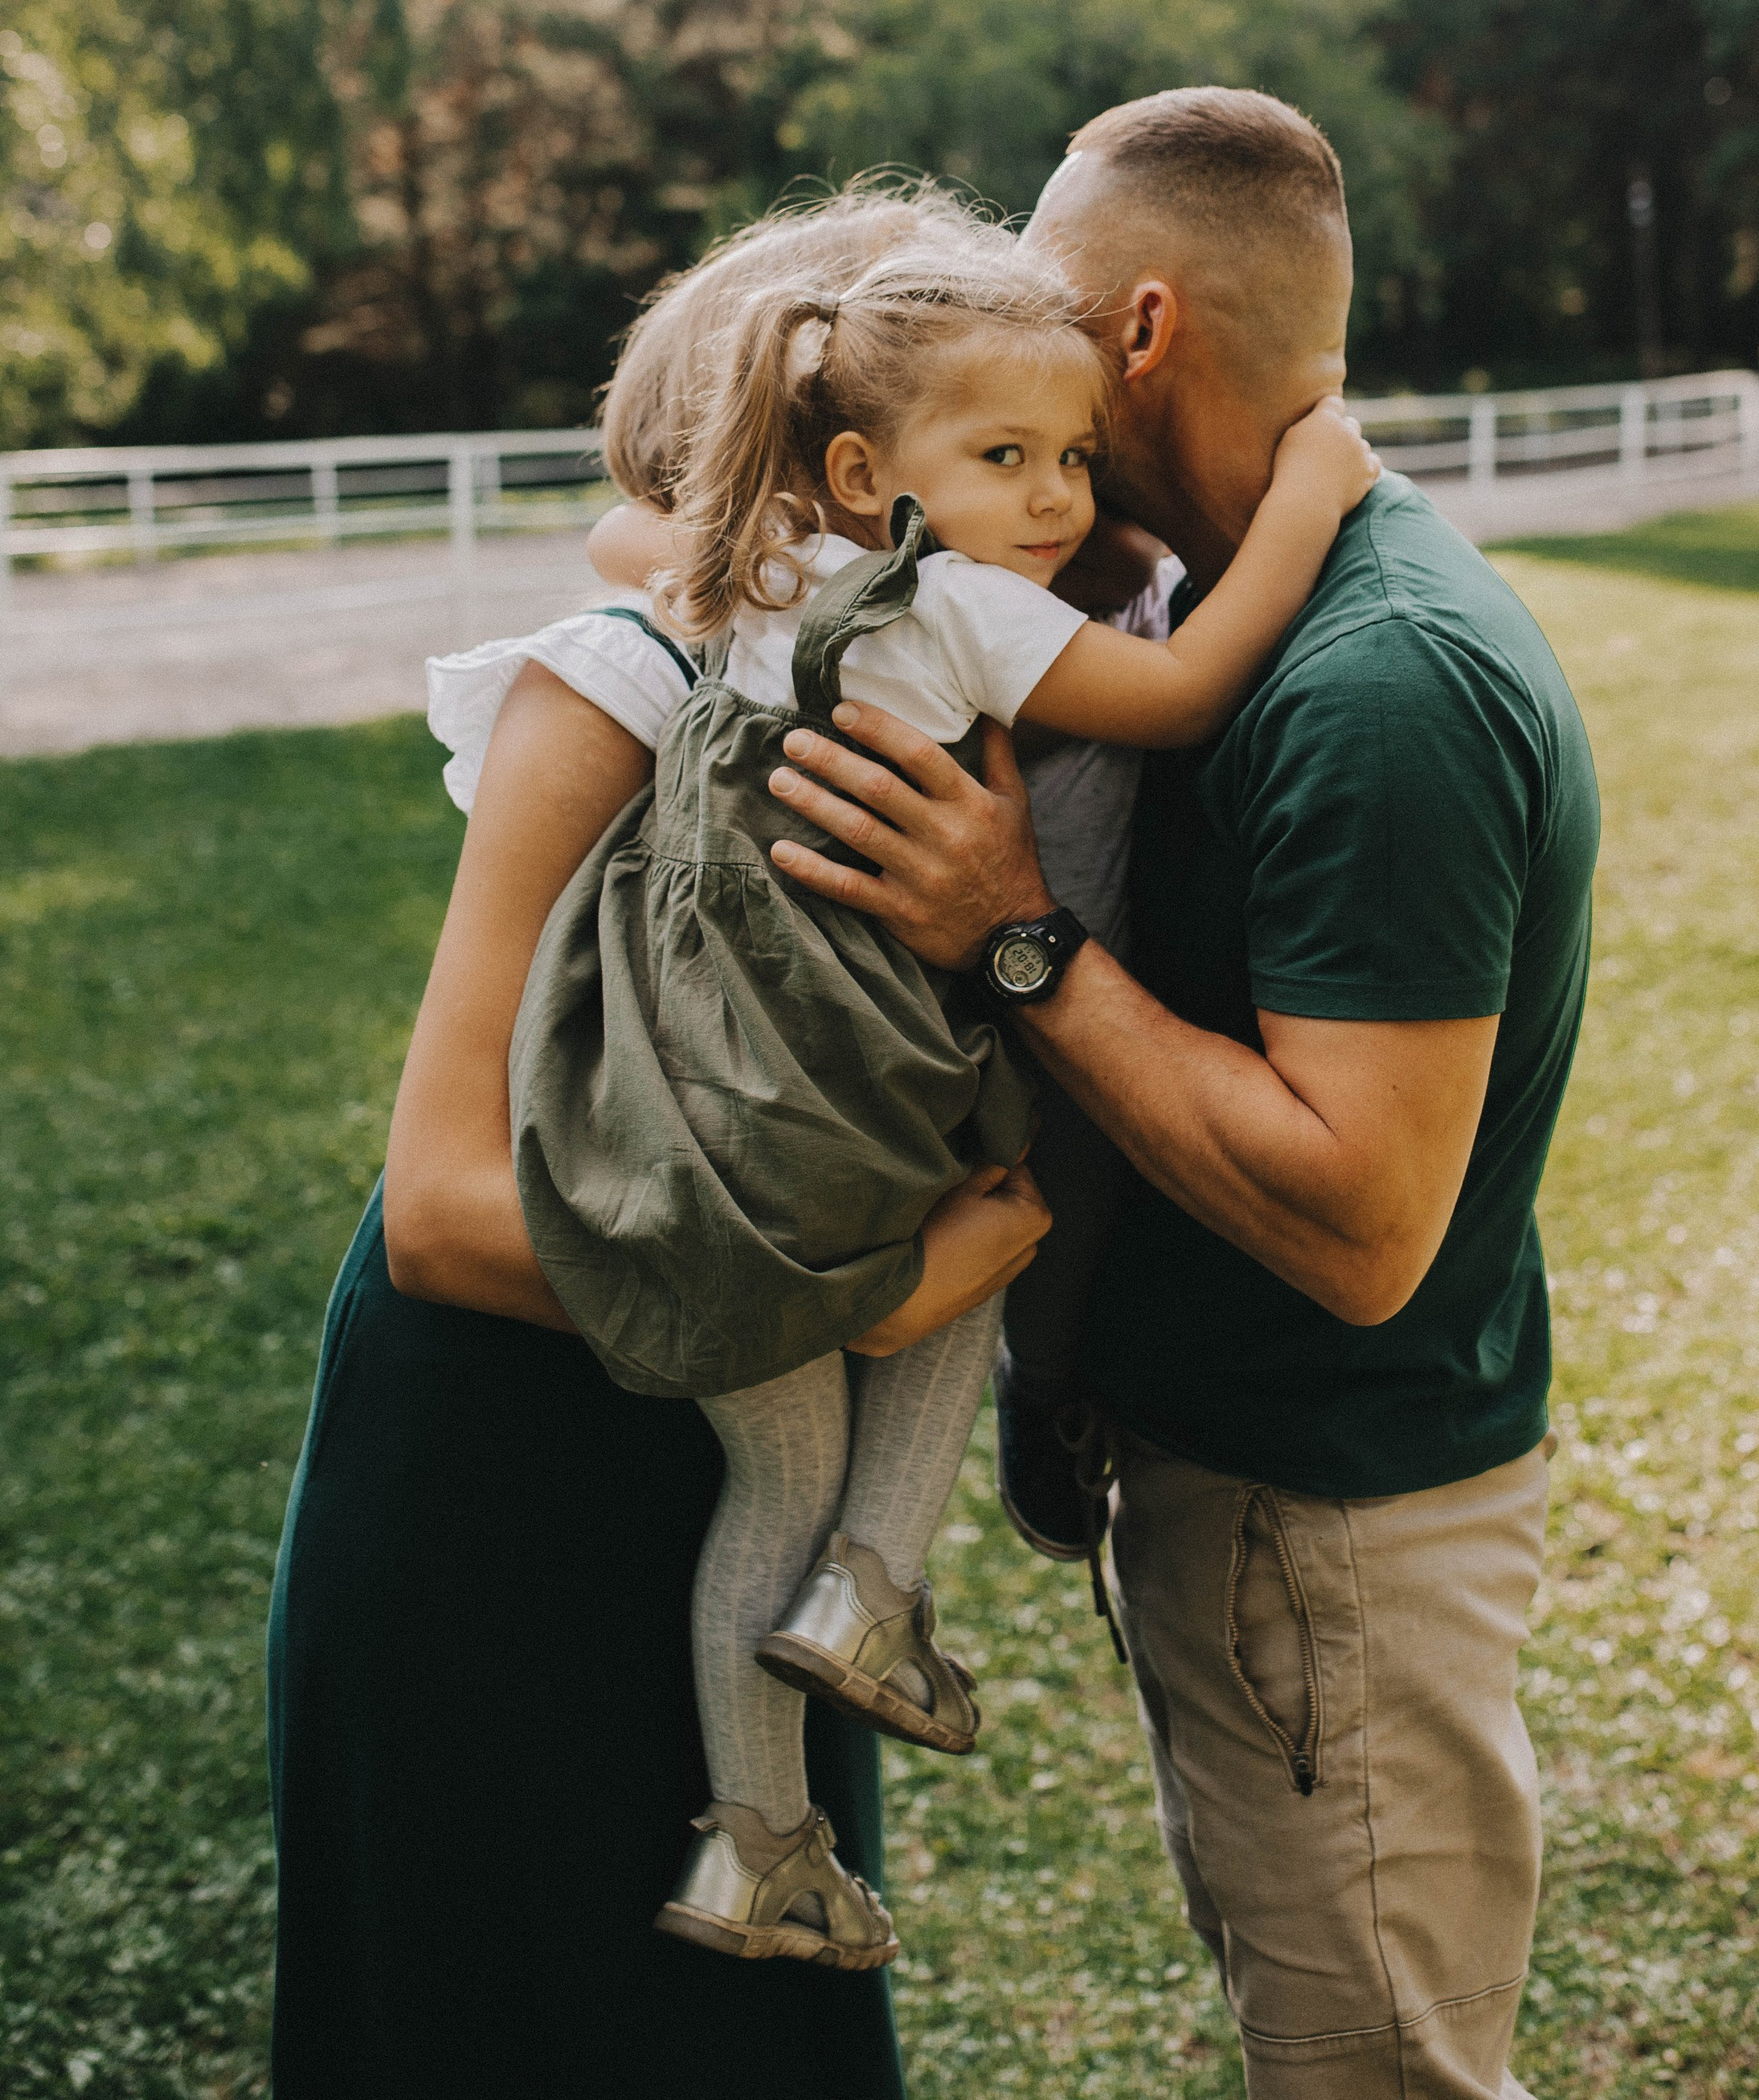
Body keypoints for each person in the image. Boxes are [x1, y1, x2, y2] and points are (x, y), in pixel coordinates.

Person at [757, 88, 1603, 2100]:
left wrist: (1010, 935)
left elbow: (1364, 1224)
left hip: (1337, 1540)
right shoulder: (1201, 607)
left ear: (1135, 332)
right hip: (1254, 1516)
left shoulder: (1379, 682)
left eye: (1038, 314)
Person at [512, 204, 1376, 1966]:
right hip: (873, 1099)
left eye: (1071, 455)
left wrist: (818, 492)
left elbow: (629, 525)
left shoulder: (750, 574)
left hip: (701, 1092)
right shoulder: (969, 608)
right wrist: (1313, 492)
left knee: (769, 1474)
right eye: (1008, 458)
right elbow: (1192, 687)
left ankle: (753, 1841)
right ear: (862, 466)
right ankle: (876, 1592)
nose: (1057, 497)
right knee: (978, 1258)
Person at [264, 185, 1048, 2100]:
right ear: (831, 464)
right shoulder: (603, 700)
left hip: (740, 1523)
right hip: (507, 1504)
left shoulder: (906, 695)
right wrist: (864, 1298)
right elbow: (449, 1215)